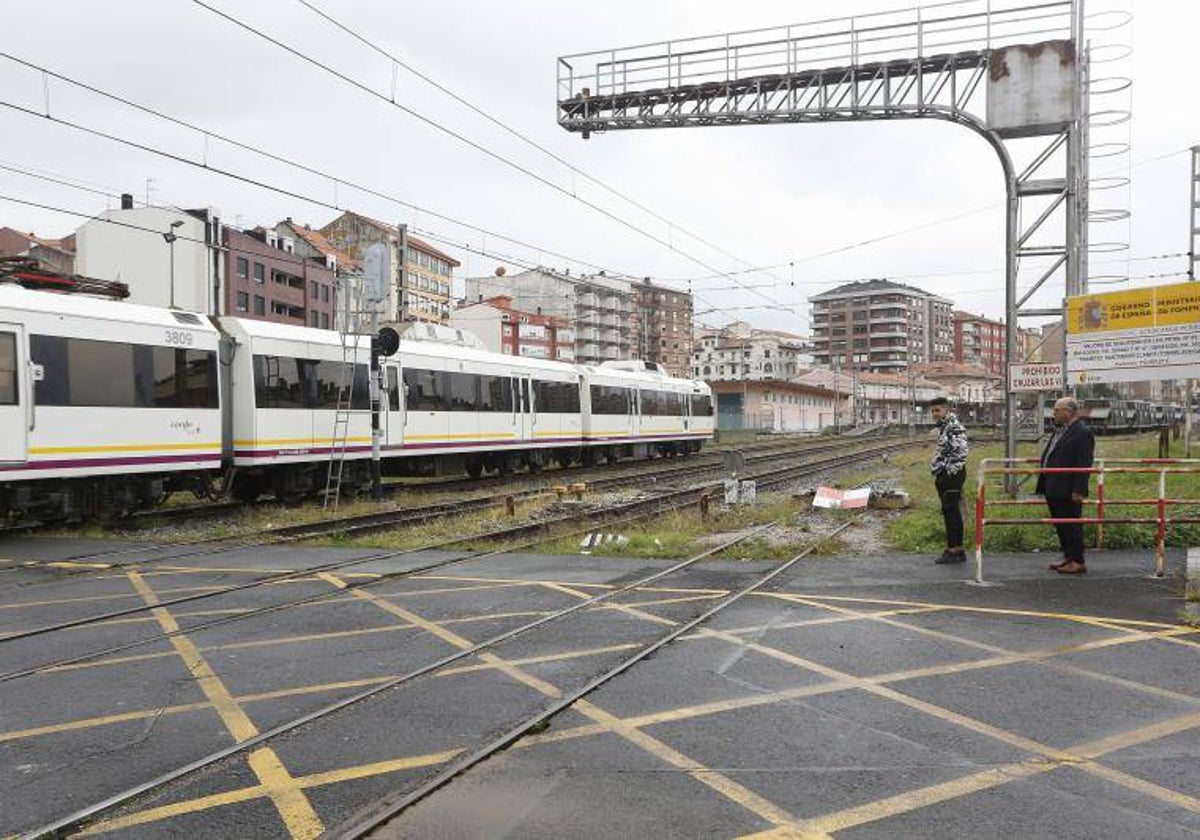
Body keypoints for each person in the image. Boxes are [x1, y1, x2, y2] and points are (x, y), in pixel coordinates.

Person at [1037, 396, 1095, 575]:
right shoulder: (1060, 430)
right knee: (1060, 523)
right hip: (1053, 485)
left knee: (1071, 523)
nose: (1054, 413)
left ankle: (1078, 561)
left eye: (1057, 410)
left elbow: (1084, 462)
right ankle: (1068, 556)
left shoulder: (1082, 432)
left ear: (1069, 412)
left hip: (1068, 488)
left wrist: (1078, 489)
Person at [929, 396, 969, 564]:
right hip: (947, 473)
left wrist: (946, 471)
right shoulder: (946, 426)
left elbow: (960, 451)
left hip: (951, 474)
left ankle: (954, 550)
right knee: (950, 511)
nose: (934, 414)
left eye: (937, 410)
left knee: (951, 512)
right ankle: (956, 548)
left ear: (947, 410)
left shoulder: (953, 427)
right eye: (932, 411)